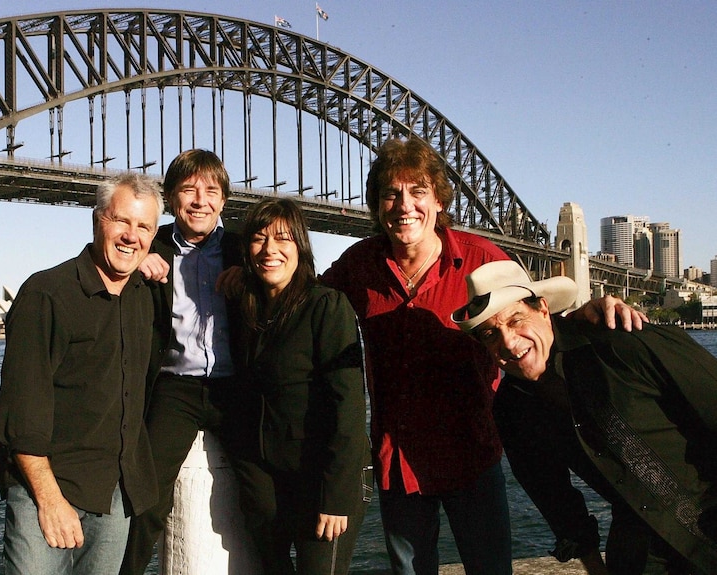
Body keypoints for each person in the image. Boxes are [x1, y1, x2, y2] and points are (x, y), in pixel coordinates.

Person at [319, 135, 645, 575]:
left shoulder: (481, 260)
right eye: (390, 194)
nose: (404, 205)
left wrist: (592, 311)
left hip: (472, 454)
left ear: (438, 201)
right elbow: (304, 308)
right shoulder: (358, 266)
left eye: (417, 192)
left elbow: (536, 320)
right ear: (377, 206)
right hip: (400, 462)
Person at [452, 260, 717, 575]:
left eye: (516, 319)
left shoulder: (624, 340)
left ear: (543, 309)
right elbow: (557, 501)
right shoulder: (512, 411)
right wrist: (595, 567)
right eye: (490, 333)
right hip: (640, 555)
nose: (507, 342)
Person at [0, 173, 164, 574]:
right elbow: (22, 412)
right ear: (97, 219)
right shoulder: (46, 294)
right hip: (47, 489)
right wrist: (50, 500)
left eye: (144, 227)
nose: (131, 236)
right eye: (121, 220)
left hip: (114, 493)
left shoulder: (144, 294)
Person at [229, 197, 372, 574]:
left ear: (301, 248)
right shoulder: (247, 308)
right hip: (267, 488)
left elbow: (349, 409)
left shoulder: (327, 306)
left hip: (323, 482)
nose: (270, 250)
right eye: (259, 239)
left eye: (283, 239)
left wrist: (337, 497)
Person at [120, 149, 245, 573]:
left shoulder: (245, 249)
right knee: (147, 497)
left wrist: (254, 274)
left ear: (224, 201)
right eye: (188, 190)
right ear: (171, 199)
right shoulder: (148, 245)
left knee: (265, 490)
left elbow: (295, 273)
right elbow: (102, 251)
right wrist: (136, 259)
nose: (200, 200)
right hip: (175, 387)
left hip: (235, 386)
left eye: (211, 191)